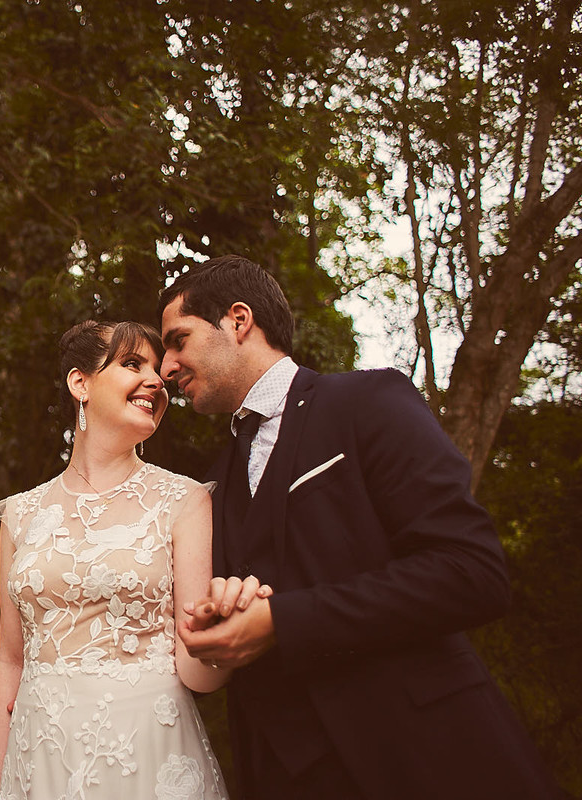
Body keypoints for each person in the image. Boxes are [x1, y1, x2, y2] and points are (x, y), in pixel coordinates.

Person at [158, 254, 561, 799]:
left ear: (237, 320)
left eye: (178, 340)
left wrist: (283, 621)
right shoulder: (212, 487)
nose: (165, 366)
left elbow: (472, 572)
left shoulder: (368, 401)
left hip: (424, 758)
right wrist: (220, 616)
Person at [0, 320, 270, 800]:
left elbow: (198, 674)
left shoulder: (185, 501)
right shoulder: (19, 515)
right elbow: (10, 660)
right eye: (132, 363)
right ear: (81, 383)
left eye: (158, 370)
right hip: (39, 763)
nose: (157, 381)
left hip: (147, 758)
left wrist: (224, 631)